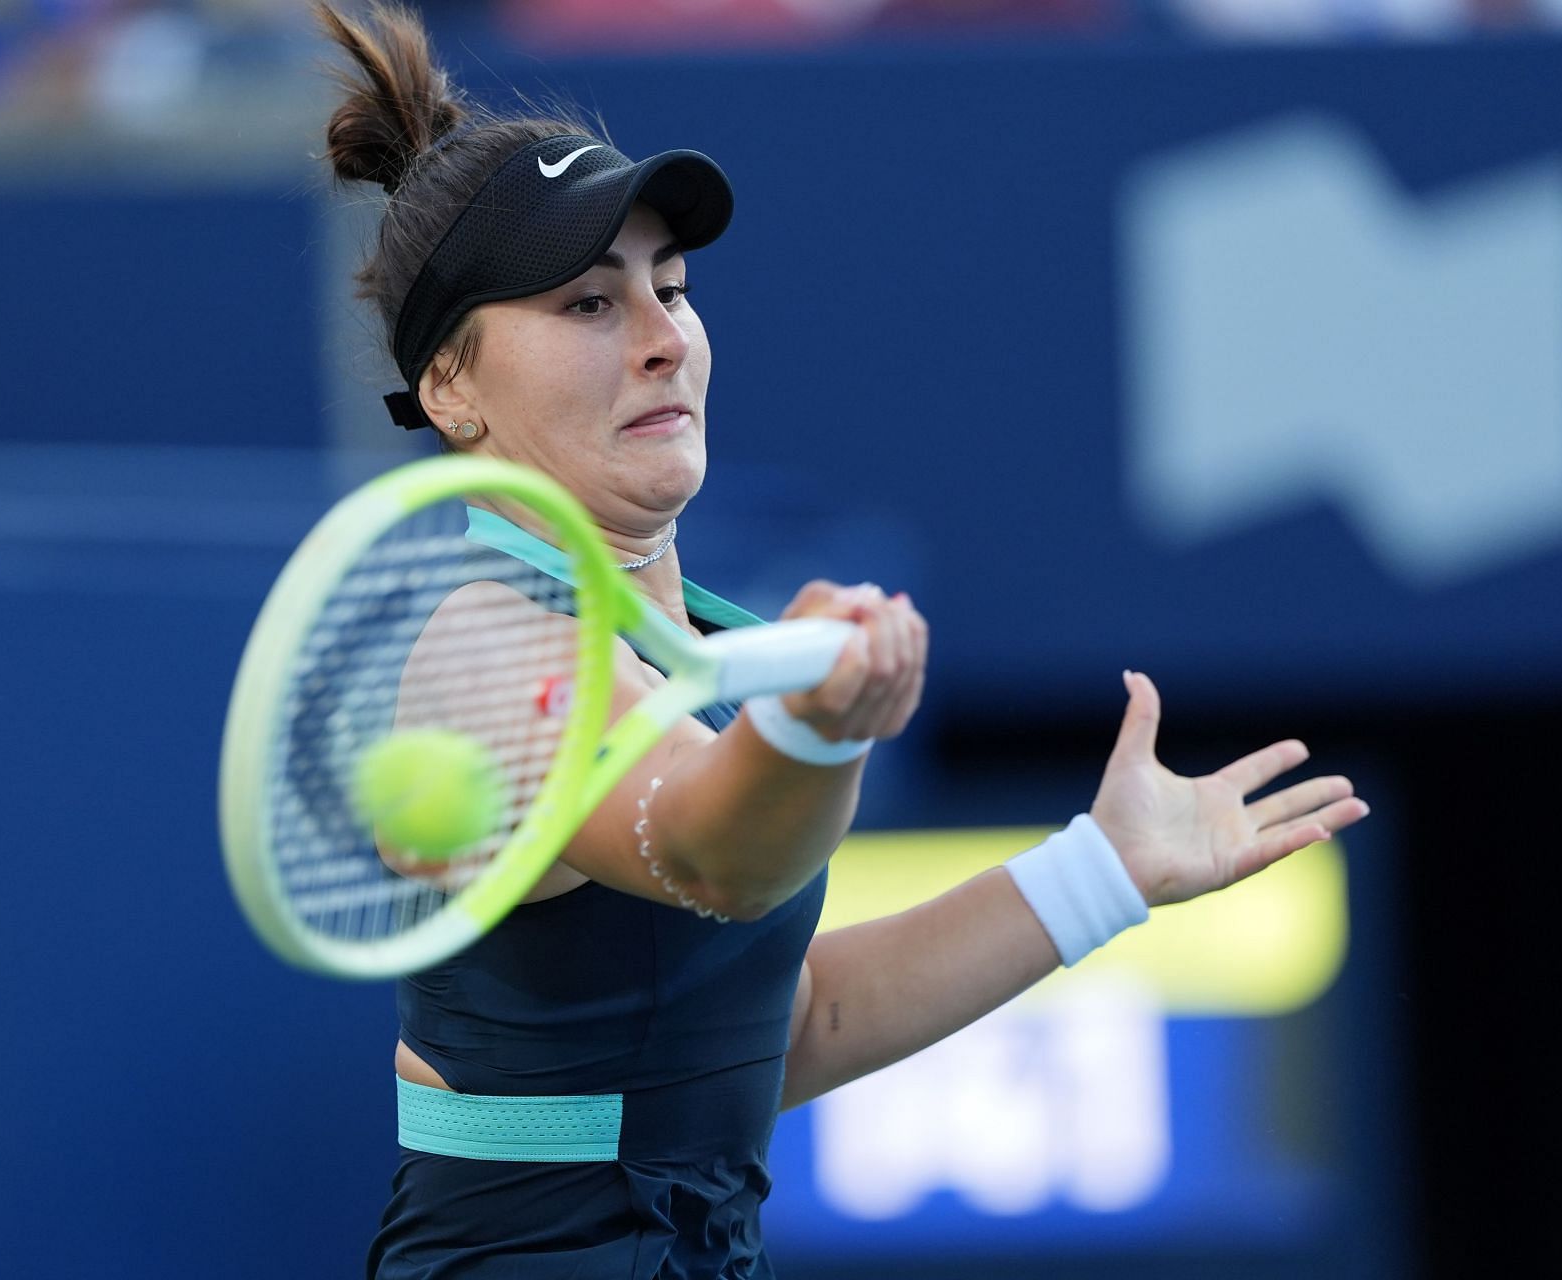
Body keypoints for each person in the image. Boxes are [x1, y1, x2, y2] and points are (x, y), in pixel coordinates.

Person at [311, 5, 1370, 1277]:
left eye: (673, 288)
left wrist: (1104, 871)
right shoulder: (492, 655)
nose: (661, 336)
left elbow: (794, 1020)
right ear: (452, 389)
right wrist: (808, 734)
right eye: (589, 301)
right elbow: (708, 850)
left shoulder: (695, 633)